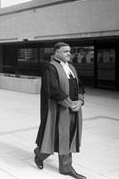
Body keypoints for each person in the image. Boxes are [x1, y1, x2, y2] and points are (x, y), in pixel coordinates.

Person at [34, 42, 86, 179]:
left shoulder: (72, 68)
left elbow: (79, 86)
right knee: (57, 136)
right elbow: (53, 89)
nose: (69, 53)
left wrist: (80, 101)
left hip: (72, 108)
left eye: (69, 51)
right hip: (58, 109)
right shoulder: (50, 68)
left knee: (67, 137)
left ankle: (65, 167)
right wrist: (70, 104)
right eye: (65, 51)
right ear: (56, 53)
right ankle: (40, 154)